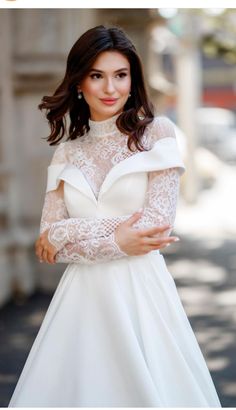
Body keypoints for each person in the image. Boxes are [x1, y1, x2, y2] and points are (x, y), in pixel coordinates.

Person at [9, 25, 221, 407]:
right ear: (78, 83)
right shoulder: (67, 151)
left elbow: (155, 227)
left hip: (141, 295)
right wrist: (115, 237)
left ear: (132, 79)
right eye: (97, 75)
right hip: (79, 301)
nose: (111, 88)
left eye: (120, 75)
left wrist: (72, 234)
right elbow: (48, 241)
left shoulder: (158, 134)